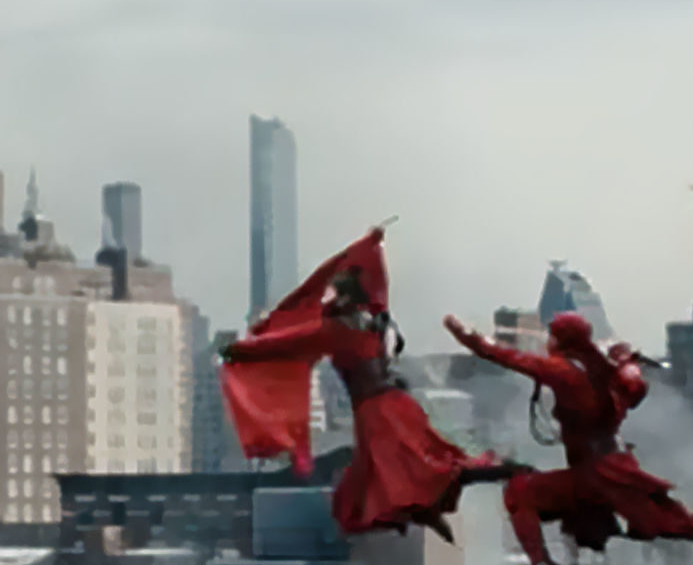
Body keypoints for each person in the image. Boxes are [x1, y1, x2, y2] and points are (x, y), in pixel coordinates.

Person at [445, 311, 693, 565]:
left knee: (676, 525)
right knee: (524, 492)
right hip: (600, 469)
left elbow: (507, 357)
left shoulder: (567, 372)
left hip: (605, 473)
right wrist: (625, 360)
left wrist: (465, 335)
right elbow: (631, 390)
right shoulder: (601, 369)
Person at [220, 228, 523, 541]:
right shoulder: (374, 321)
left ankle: (500, 472)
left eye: (335, 292)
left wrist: (238, 350)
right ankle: (443, 505)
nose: (329, 298)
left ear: (345, 296)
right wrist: (371, 247)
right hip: (398, 405)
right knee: (413, 472)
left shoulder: (337, 330)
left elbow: (284, 344)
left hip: (378, 413)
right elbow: (377, 288)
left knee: (415, 475)